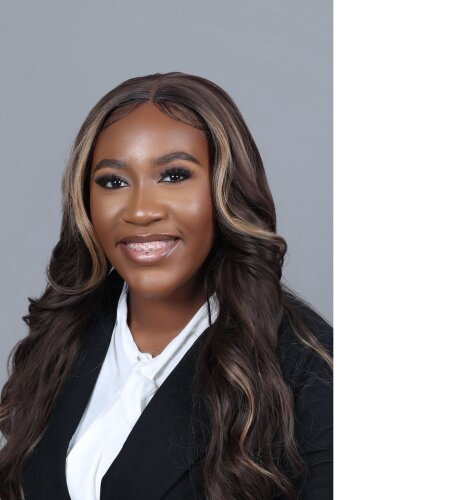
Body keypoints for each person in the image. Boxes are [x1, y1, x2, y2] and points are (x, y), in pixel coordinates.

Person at [0, 72, 332, 500]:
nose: (141, 211)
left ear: (225, 190)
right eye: (113, 182)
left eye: (174, 176)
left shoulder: (311, 371)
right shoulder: (65, 333)